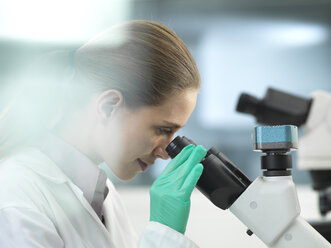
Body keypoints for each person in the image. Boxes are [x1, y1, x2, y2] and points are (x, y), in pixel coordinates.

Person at [0, 20, 206, 247]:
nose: (166, 152)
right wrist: (163, 236)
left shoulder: (101, 196)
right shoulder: (16, 198)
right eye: (163, 130)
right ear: (108, 106)